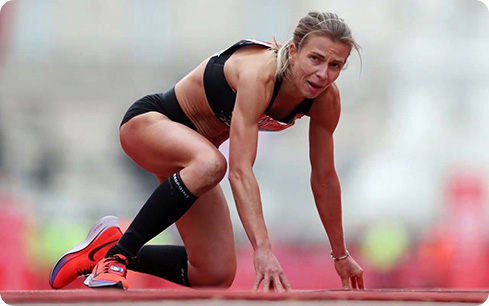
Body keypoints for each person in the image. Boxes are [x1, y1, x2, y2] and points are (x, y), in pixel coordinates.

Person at [50, 11, 364, 291]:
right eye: (316, 59)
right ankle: (117, 258)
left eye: (335, 65)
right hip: (149, 125)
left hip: (193, 165)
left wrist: (341, 254)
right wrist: (263, 249)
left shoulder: (326, 100)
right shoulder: (259, 75)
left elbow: (324, 180)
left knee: (214, 273)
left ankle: (103, 251)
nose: (323, 74)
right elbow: (241, 169)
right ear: (293, 52)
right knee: (214, 164)